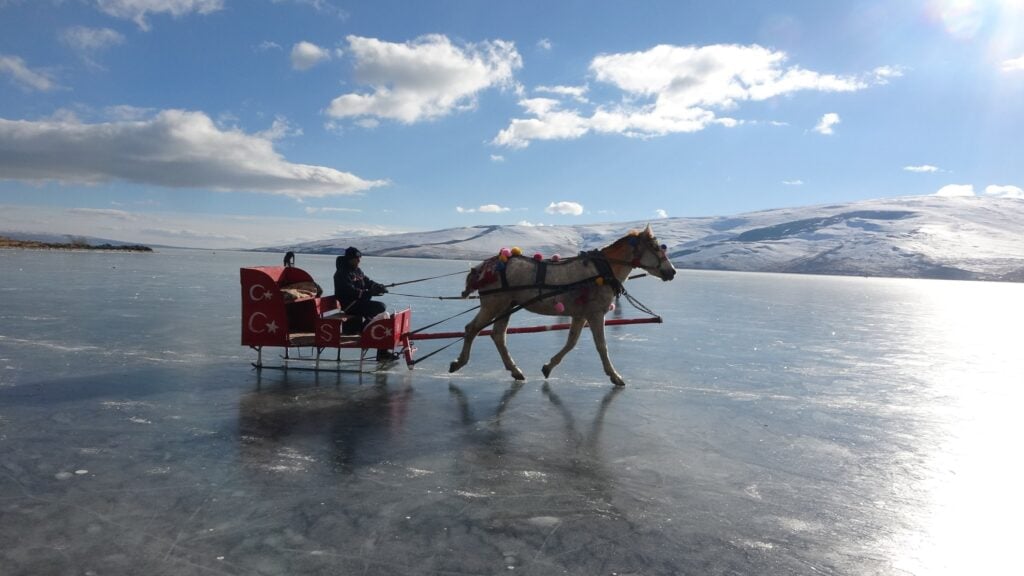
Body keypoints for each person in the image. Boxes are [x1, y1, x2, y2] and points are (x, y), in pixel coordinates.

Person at [333, 247, 397, 361]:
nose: (359, 261)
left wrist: (379, 287)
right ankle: (365, 330)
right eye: (356, 259)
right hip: (350, 305)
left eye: (359, 258)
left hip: (360, 302)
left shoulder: (358, 271)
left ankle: (382, 351)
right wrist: (369, 293)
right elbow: (349, 291)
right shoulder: (341, 273)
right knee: (380, 307)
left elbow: (368, 282)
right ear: (349, 259)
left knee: (380, 310)